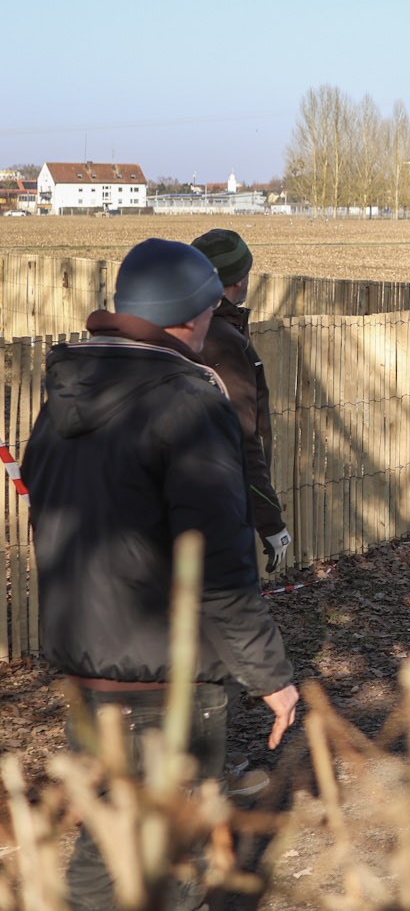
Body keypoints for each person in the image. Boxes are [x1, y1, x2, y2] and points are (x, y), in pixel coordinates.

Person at [22, 238, 298, 911]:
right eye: (208, 306)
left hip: (84, 666)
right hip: (164, 675)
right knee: (175, 856)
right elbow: (219, 565)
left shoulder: (63, 395)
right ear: (185, 316)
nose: (213, 318)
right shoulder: (188, 402)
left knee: (107, 835)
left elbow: (43, 497)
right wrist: (273, 677)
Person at [190, 229, 290, 570]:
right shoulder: (221, 341)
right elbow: (242, 438)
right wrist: (271, 521)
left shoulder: (186, 329)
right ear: (238, 280)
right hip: (220, 507)